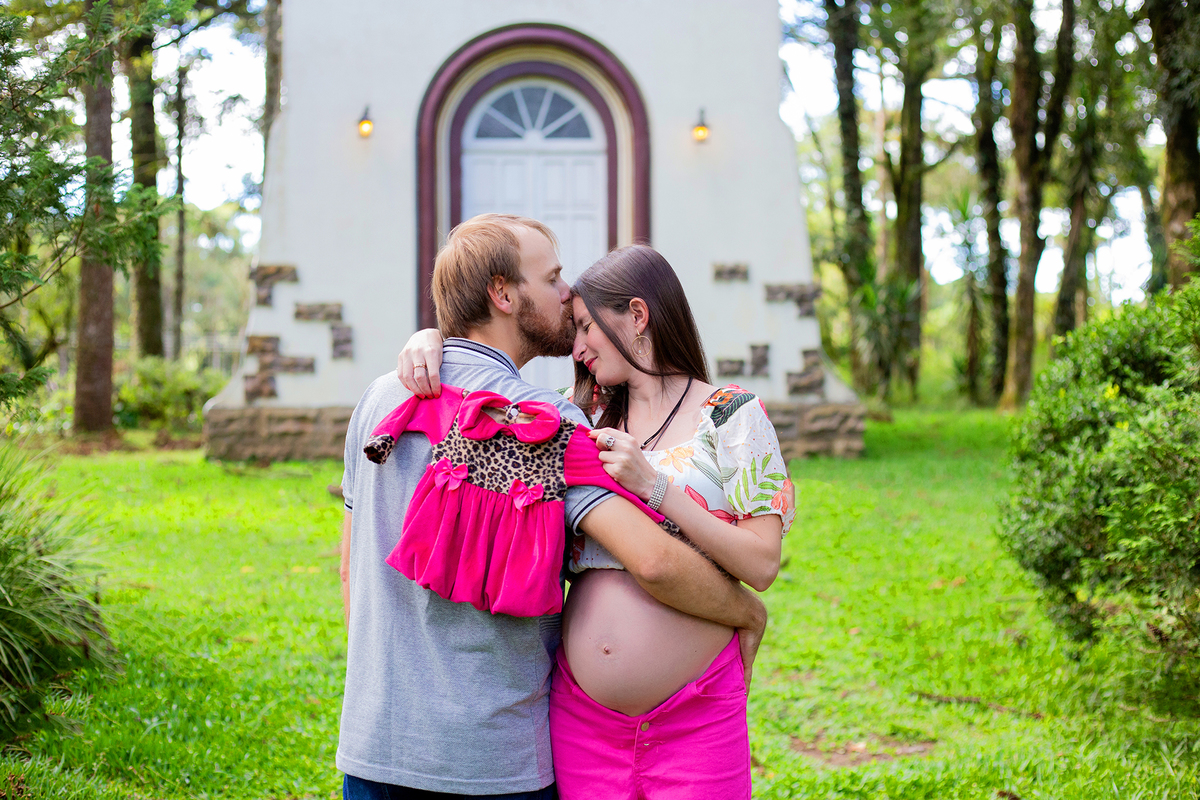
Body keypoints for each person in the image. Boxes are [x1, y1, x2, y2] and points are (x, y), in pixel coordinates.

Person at [339, 215, 767, 800]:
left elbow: (349, 569)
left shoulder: (379, 398)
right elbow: (653, 561)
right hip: (490, 760)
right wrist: (745, 612)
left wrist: (431, 337)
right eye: (553, 277)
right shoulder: (541, 420)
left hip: (373, 750)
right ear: (503, 293)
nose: (567, 293)